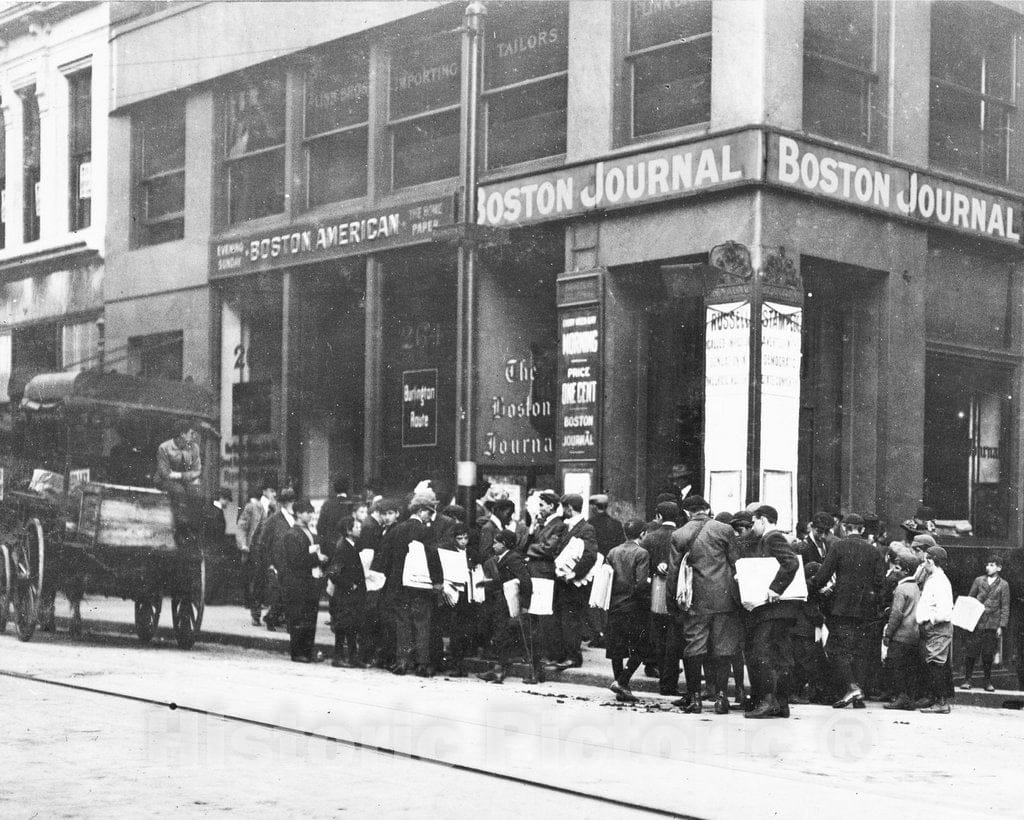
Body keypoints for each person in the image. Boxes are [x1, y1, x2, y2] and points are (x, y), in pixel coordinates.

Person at [668, 496, 743, 715]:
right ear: (707, 508)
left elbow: (674, 574)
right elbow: (735, 562)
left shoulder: (679, 534)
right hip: (724, 599)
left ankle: (695, 698)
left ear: (686, 511)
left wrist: (673, 605)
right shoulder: (724, 529)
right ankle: (721, 698)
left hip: (695, 601)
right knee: (723, 647)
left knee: (694, 646)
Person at [808, 512, 885, 709]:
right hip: (865, 610)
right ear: (862, 529)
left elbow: (822, 576)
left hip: (841, 608)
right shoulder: (874, 551)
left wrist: (811, 585)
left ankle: (851, 687)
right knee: (859, 651)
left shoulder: (838, 546)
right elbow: (880, 583)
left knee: (835, 649)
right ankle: (858, 696)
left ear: (844, 527)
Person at [743, 505, 801, 719]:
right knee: (782, 655)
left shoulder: (772, 538)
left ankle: (768, 701)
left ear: (763, 520)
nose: (753, 527)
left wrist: (776, 588)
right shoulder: (775, 538)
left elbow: (791, 562)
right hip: (783, 611)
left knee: (762, 653)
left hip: (772, 610)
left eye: (754, 522)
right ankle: (782, 703)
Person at [388, 494, 444, 677]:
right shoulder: (426, 531)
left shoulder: (397, 529)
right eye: (429, 512)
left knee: (403, 622)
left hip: (400, 584)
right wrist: (437, 581)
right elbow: (432, 557)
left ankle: (402, 662)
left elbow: (388, 556)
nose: (430, 516)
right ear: (421, 511)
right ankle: (422, 664)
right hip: (420, 585)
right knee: (421, 623)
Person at [477, 530, 533, 684]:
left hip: (509, 601)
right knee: (500, 633)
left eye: (496, 542)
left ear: (505, 544)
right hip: (502, 600)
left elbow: (526, 581)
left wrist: (525, 605)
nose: (493, 545)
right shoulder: (504, 558)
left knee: (503, 634)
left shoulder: (513, 558)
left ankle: (500, 670)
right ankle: (498, 668)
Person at [551, 493, 599, 669]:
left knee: (571, 620)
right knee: (564, 618)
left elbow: (590, 555)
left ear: (569, 508)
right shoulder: (568, 526)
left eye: (563, 507)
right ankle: (565, 655)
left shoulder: (586, 528)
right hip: (563, 582)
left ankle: (573, 656)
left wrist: (573, 574)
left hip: (573, 584)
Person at [606, 519, 650, 703]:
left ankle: (621, 686)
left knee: (617, 648)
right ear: (642, 534)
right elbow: (641, 583)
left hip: (615, 604)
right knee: (642, 646)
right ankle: (623, 680)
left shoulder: (612, 552)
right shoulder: (642, 553)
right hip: (633, 606)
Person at [280, 498, 328, 663]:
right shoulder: (291, 534)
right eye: (307, 512)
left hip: (308, 580)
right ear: (298, 513)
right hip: (297, 581)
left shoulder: (306, 531)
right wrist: (316, 557)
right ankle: (298, 652)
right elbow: (296, 560)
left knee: (309, 617)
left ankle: (307, 651)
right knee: (299, 617)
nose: (310, 515)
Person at [640, 501, 681, 693]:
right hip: (678, 591)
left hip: (657, 590)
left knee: (659, 635)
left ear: (659, 516)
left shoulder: (650, 538)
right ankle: (670, 681)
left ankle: (659, 673)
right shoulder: (682, 535)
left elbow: (644, 566)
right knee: (675, 637)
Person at [961, 555, 1010, 692]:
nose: (988, 567)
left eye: (992, 565)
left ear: (999, 568)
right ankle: (967, 680)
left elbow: (1005, 606)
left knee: (988, 654)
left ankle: (987, 681)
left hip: (991, 624)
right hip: (976, 622)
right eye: (987, 564)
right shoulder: (979, 580)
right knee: (971, 651)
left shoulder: (1003, 585)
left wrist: (1001, 625)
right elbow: (970, 600)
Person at [916, 545, 955, 714]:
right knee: (934, 662)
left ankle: (941, 702)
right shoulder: (935, 578)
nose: (923, 565)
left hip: (938, 627)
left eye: (925, 561)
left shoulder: (939, 581)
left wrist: (931, 621)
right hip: (934, 628)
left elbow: (945, 611)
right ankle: (934, 698)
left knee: (936, 663)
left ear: (931, 561)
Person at [882, 552, 923, 710]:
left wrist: (888, 634)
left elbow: (896, 613)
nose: (894, 570)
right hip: (913, 634)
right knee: (909, 668)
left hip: (900, 635)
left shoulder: (901, 588)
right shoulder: (915, 587)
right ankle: (908, 698)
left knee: (895, 666)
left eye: (897, 568)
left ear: (906, 571)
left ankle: (901, 697)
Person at [327, 516, 367, 668]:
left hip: (351, 597)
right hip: (345, 596)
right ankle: (338, 657)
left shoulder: (351, 546)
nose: (360, 529)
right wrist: (350, 585)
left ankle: (352, 657)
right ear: (349, 531)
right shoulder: (343, 548)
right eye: (357, 527)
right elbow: (333, 572)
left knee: (352, 626)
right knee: (343, 627)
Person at [587, 493, 625, 649]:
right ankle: (608, 634)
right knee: (608, 600)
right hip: (611, 565)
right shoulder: (616, 524)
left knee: (595, 600)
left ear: (595, 507)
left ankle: (598, 634)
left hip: (595, 566)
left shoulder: (590, 524)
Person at [237, 481, 276, 626]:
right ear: (265, 491)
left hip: (271, 550)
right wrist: (243, 544)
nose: (274, 494)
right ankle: (256, 614)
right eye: (272, 491)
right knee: (258, 581)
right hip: (256, 549)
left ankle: (273, 614)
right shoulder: (253, 507)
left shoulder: (276, 508)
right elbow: (242, 526)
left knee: (272, 581)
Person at [790, 561, 829, 705]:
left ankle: (795, 692)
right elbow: (811, 611)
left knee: (802, 662)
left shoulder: (804, 585)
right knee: (804, 663)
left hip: (802, 629)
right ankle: (793, 692)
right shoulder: (808, 587)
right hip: (804, 630)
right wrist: (820, 618)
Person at [260, 487, 297, 631]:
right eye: (289, 502)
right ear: (283, 504)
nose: (292, 504)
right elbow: (264, 543)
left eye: (293, 501)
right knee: (280, 593)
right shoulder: (273, 520)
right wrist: (269, 563)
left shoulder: (295, 519)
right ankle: (272, 619)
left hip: (292, 562)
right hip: (277, 563)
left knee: (289, 592)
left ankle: (275, 618)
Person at [155, 420, 202, 493]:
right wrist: (184, 475)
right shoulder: (164, 447)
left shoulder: (194, 447)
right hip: (165, 481)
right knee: (178, 490)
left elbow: (197, 470)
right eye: (191, 433)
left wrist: (189, 477)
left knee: (197, 490)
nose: (194, 436)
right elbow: (165, 473)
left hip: (186, 480)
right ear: (182, 434)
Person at [317, 476, 355, 562]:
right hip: (348, 546)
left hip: (330, 547)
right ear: (348, 488)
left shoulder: (327, 504)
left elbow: (320, 527)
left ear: (334, 489)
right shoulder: (351, 504)